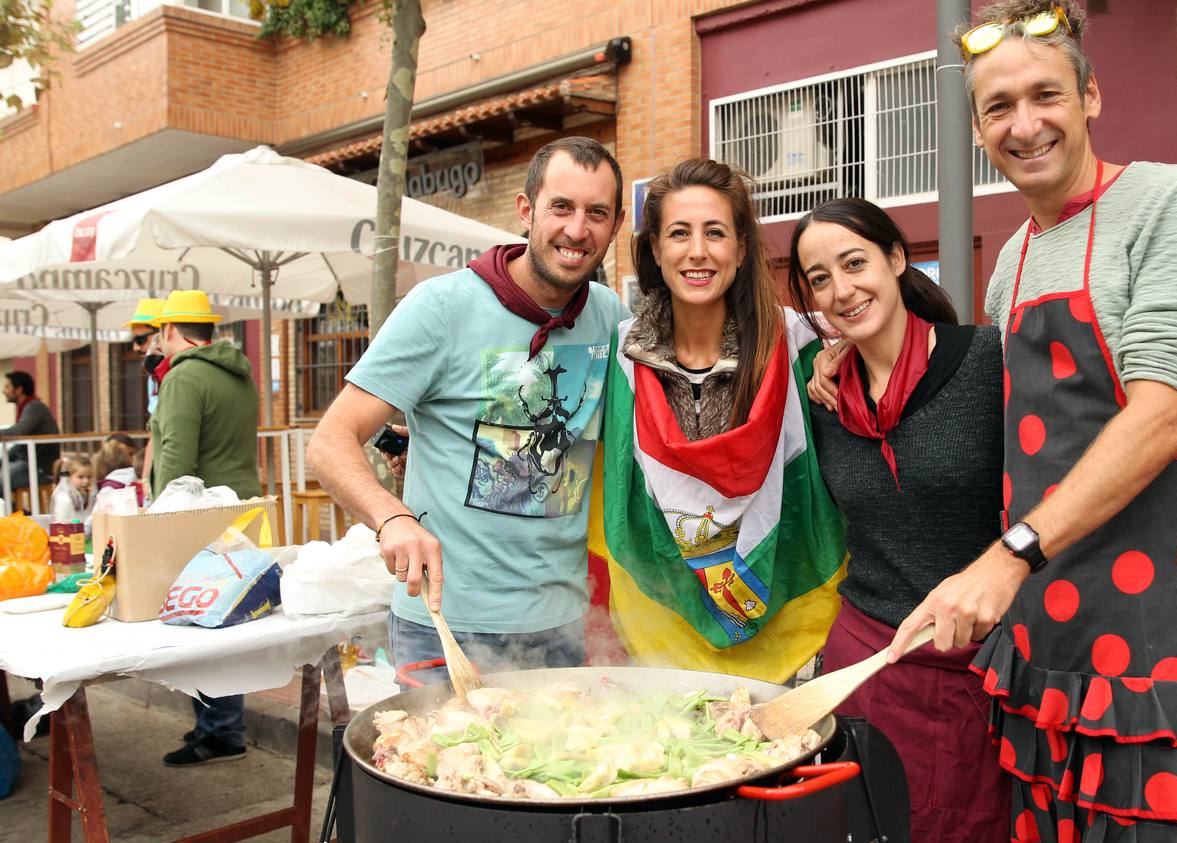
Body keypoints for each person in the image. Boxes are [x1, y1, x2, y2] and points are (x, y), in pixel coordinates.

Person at [809, 4, 1177, 843]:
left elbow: (1164, 413)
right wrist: (845, 352)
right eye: (997, 107)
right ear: (978, 131)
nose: (1024, 124)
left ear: (1090, 95)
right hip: (1046, 625)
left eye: (1045, 94)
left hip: (1149, 610)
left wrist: (1010, 554)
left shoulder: (1174, 199)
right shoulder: (1016, 255)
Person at [787, 198, 1058, 843]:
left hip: (981, 667)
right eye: (819, 279)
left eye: (854, 263)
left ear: (897, 259)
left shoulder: (988, 362)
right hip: (868, 666)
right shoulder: (821, 391)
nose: (841, 291)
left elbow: (1053, 498)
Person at [308, 136, 625, 678]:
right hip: (447, 624)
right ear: (526, 211)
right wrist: (392, 517)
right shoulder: (441, 307)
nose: (578, 229)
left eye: (597, 213)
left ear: (616, 227)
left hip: (564, 623)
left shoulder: (608, 313)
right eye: (561, 207)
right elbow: (329, 441)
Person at [590, 157, 846, 682]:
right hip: (660, 642)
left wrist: (842, 354)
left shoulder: (801, 348)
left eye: (715, 232)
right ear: (655, 250)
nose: (698, 251)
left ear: (742, 247)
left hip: (789, 644)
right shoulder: (618, 358)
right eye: (679, 233)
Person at [151, 290, 261, 766]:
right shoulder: (238, 374)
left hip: (196, 514)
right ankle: (218, 724)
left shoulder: (184, 376)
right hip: (239, 508)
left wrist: (156, 516)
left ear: (171, 330)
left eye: (158, 331)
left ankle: (220, 729)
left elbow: (176, 456)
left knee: (200, 624)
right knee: (224, 620)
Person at [123, 298, 164, 484]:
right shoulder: (152, 378)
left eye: (140, 339)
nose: (135, 347)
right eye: (134, 340)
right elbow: (154, 434)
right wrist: (146, 479)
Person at [2, 370, 60, 493]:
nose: (3, 391)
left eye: (7, 386)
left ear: (19, 389)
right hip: (28, 462)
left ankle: (20, 512)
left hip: (40, 467)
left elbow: (18, 431)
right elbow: (21, 440)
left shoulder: (34, 407)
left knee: (2, 481)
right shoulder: (27, 407)